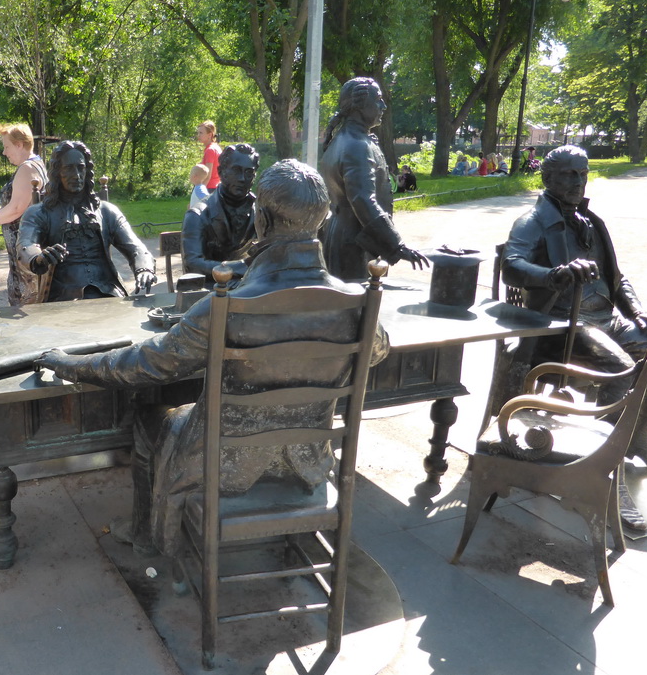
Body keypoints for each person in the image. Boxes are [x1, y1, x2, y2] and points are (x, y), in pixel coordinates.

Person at [36, 159, 390, 557]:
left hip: (223, 464)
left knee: (147, 420)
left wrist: (69, 363)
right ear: (322, 223)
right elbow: (378, 350)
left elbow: (143, 364)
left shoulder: (226, 306)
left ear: (261, 220)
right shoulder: (358, 305)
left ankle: (149, 535)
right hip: (308, 460)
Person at [503, 144, 647, 529]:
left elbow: (618, 277)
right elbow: (512, 265)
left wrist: (637, 312)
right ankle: (602, 475)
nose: (577, 181)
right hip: (562, 327)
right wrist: (555, 274)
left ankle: (637, 440)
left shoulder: (592, 221)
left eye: (582, 173)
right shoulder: (532, 221)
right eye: (567, 174)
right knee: (621, 370)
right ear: (547, 179)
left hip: (606, 321)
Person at [319, 77, 429, 281]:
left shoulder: (344, 140)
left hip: (342, 235)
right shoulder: (357, 146)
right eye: (378, 99)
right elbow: (362, 199)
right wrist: (397, 246)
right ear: (360, 106)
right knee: (357, 306)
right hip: (354, 244)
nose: (383, 105)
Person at [17, 140, 156, 302]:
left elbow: (135, 246)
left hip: (109, 294)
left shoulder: (106, 211)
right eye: (69, 168)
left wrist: (144, 269)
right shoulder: (38, 213)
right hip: (61, 299)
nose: (76, 175)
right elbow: (24, 246)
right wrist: (39, 258)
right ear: (57, 172)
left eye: (81, 168)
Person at [0, 123, 48, 307]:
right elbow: (11, 205)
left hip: (24, 256)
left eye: (6, 146)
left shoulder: (27, 168)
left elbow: (17, 208)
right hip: (23, 255)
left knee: (26, 309)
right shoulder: (36, 164)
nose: (4, 152)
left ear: (19, 144)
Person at [181, 143, 259, 279]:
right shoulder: (198, 215)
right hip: (211, 290)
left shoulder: (262, 211)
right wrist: (243, 267)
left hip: (253, 288)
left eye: (249, 172)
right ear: (221, 171)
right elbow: (193, 264)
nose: (242, 179)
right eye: (236, 170)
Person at [196, 121, 221, 192]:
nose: (198, 135)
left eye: (201, 133)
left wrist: (199, 192)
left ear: (209, 135)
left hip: (209, 188)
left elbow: (208, 175)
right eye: (198, 133)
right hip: (216, 187)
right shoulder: (216, 147)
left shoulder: (210, 150)